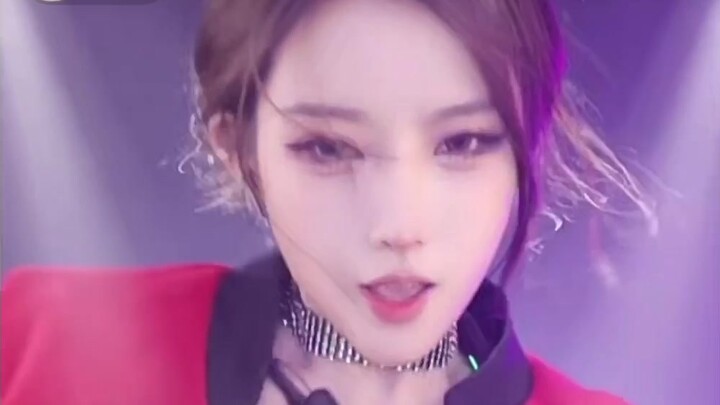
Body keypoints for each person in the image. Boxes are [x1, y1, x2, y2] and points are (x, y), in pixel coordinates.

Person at [1, 0, 652, 404]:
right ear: (239, 151)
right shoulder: (45, 339)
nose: (398, 225)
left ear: (526, 150)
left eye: (463, 142)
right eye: (329, 149)